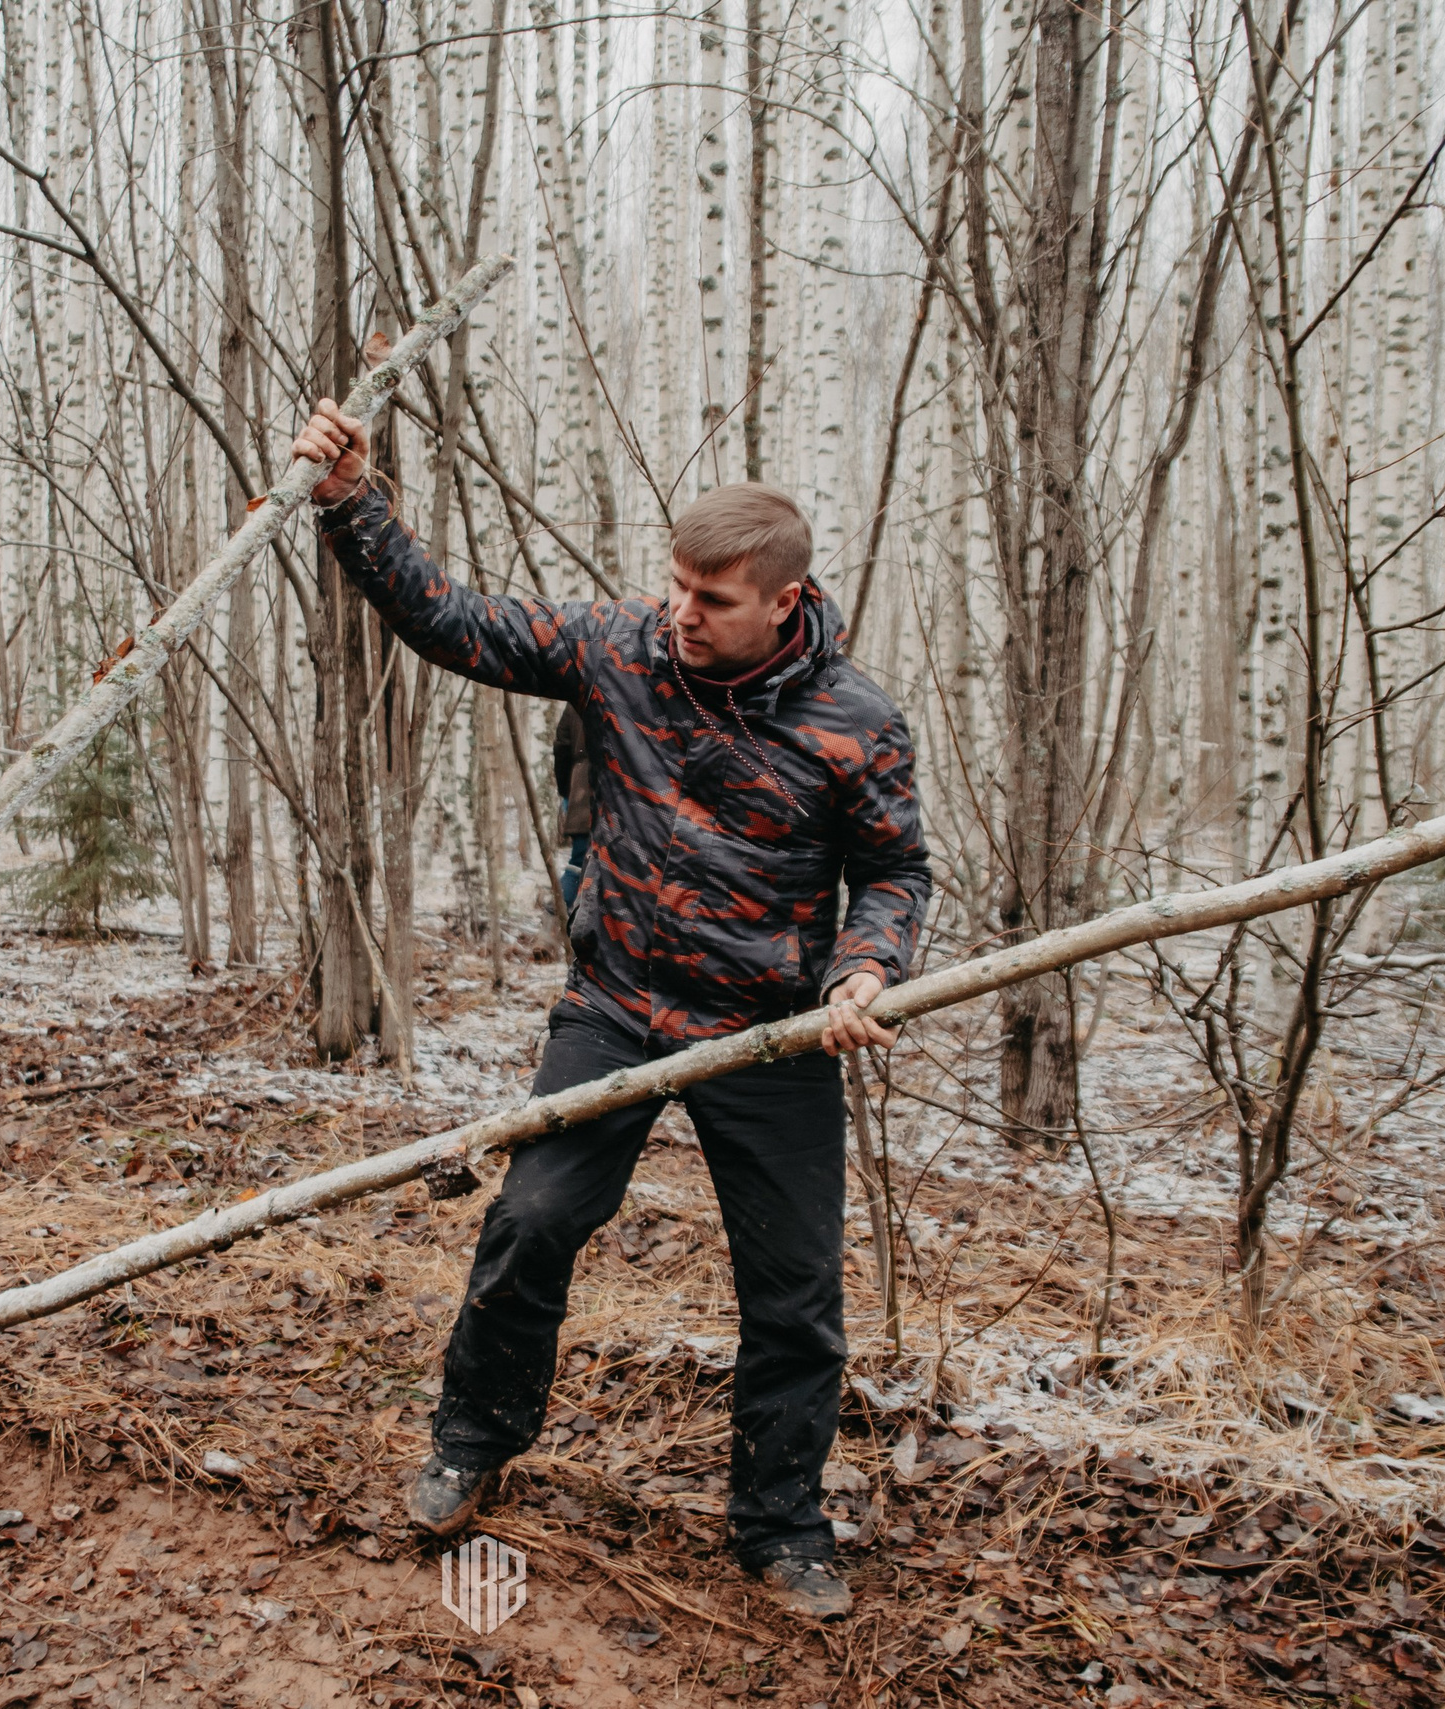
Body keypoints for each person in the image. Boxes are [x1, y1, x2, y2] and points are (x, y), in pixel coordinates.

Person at [291, 399, 932, 1622]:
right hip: (617, 1006)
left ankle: (780, 1522)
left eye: (712, 599)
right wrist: (353, 504)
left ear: (784, 602)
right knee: (529, 1221)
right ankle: (472, 1442)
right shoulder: (620, 647)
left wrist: (863, 970)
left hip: (769, 1032)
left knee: (793, 1290)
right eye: (675, 586)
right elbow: (456, 623)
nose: (681, 613)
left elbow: (898, 872)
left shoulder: (856, 723)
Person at [551, 704, 593, 911]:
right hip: (593, 789)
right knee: (580, 860)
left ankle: (553, 925)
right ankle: (553, 923)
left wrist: (567, 790)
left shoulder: (577, 698)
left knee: (579, 860)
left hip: (580, 790)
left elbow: (561, 747)